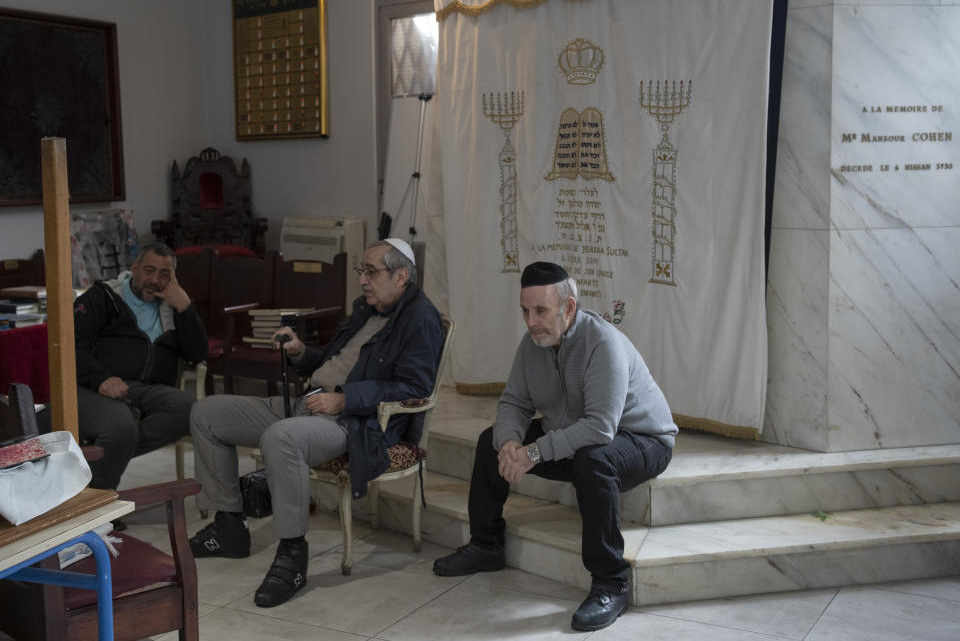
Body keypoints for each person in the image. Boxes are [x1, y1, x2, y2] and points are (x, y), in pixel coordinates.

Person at [188, 238, 443, 608]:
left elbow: (414, 387)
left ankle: (292, 554)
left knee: (281, 438)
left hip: (354, 421)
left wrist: (346, 399)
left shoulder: (420, 319)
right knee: (206, 413)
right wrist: (300, 353)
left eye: (371, 272)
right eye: (362, 271)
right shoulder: (366, 309)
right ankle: (229, 526)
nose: (363, 281)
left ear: (401, 275)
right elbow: (336, 363)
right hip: (309, 402)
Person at [432, 261, 677, 632]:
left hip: (640, 440)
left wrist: (533, 453)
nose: (531, 321)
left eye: (540, 311)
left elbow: (600, 427)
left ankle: (611, 583)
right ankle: (486, 546)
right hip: (577, 437)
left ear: (569, 308)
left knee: (594, 461)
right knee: (489, 441)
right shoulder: (533, 343)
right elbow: (513, 402)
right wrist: (511, 443)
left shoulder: (603, 343)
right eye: (525, 311)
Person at [39, 242, 208, 491]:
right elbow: (69, 344)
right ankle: (98, 500)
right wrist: (101, 379)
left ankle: (97, 463)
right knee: (121, 427)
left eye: (164, 274)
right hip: (91, 388)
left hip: (146, 391)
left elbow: (198, 354)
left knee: (189, 409)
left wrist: (185, 308)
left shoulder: (173, 306)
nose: (154, 280)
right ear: (135, 267)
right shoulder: (105, 297)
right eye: (149, 270)